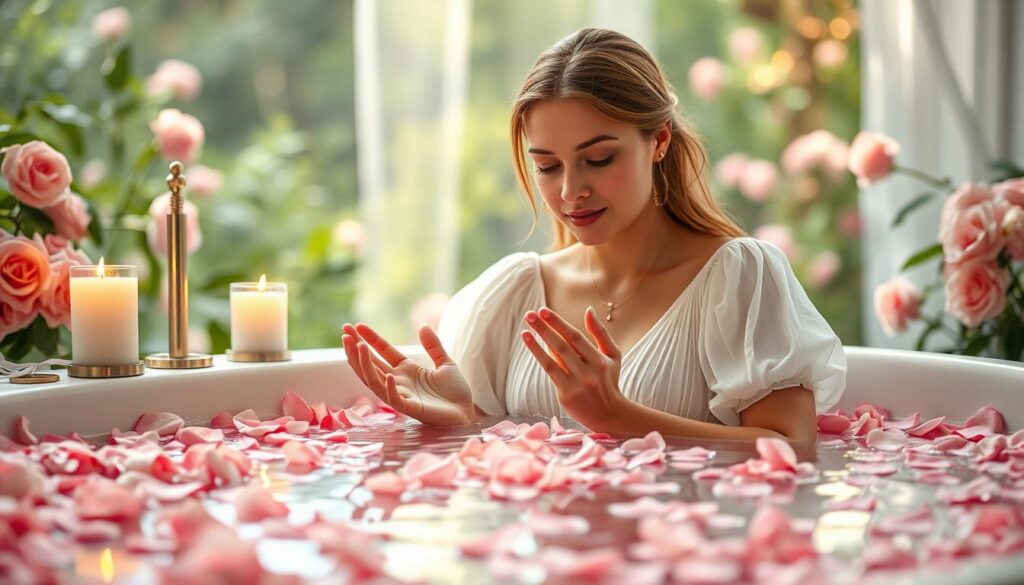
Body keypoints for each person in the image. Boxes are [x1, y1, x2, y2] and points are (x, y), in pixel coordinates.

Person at [342, 28, 845, 441]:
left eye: (599, 159)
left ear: (659, 141)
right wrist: (467, 418)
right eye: (547, 166)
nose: (570, 192)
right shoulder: (516, 292)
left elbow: (793, 447)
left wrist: (618, 418)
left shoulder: (737, 276)